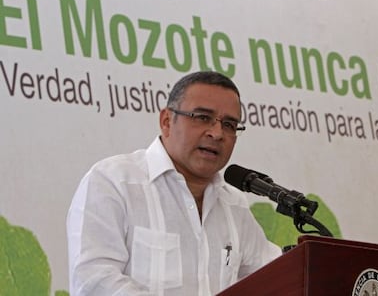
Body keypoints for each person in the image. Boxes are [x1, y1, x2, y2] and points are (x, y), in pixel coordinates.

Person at [67, 71, 282, 296]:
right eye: (202, 117)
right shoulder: (113, 182)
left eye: (229, 124)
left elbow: (277, 275)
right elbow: (93, 282)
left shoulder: (234, 205)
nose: (217, 133)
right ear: (167, 121)